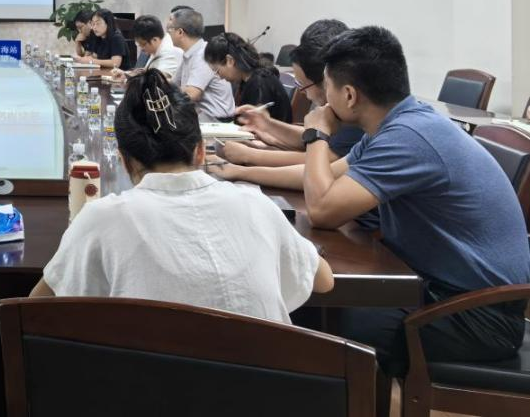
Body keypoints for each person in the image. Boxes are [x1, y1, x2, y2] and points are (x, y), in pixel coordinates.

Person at [220, 26, 530, 375]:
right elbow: (325, 175)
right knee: (310, 305)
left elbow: (322, 210)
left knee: (319, 322)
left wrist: (316, 133)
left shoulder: (409, 137)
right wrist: (238, 172)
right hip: (444, 292)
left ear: (349, 95)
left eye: (326, 88)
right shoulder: (396, 125)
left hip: (476, 316)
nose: (320, 100)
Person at [29, 69, 333, 324]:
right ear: (200, 151)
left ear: (124, 160)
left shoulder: (101, 219)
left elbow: (35, 309)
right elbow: (323, 280)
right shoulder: (256, 204)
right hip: (265, 378)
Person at [221, 19, 364, 170]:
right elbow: (311, 140)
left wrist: (248, 157)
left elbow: (320, 163)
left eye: (303, 85)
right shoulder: (341, 109)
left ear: (327, 80)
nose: (301, 91)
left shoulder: (354, 114)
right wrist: (267, 124)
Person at [204, 32, 292, 123]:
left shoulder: (259, 83)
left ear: (230, 61)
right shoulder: (249, 79)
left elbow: (256, 126)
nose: (219, 77)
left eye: (217, 70)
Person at [165, 8, 234, 122]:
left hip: (216, 122)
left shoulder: (203, 54)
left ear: (180, 32)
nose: (168, 34)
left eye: (170, 30)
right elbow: (173, 84)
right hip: (201, 118)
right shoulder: (190, 54)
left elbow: (191, 94)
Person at [111, 14, 182, 83]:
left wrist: (128, 78)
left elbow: (157, 80)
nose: (142, 48)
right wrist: (126, 74)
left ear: (154, 40)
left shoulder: (169, 52)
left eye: (143, 44)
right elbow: (147, 72)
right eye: (138, 44)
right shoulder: (159, 44)